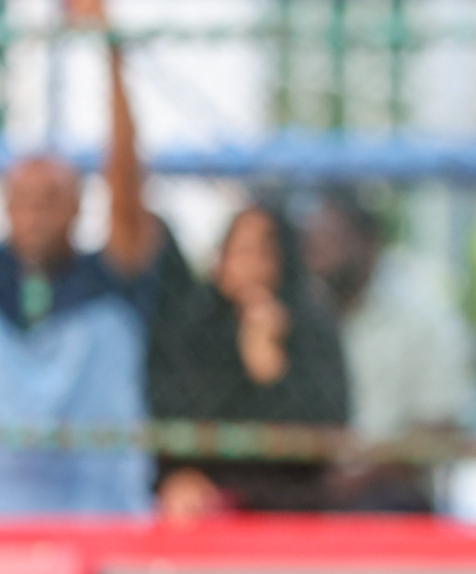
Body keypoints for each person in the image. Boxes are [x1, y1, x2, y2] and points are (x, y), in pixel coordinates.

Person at [0, 34, 167, 514]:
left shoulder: (110, 277)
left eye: (50, 200)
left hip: (99, 515)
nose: (36, 215)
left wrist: (111, 52)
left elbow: (128, 182)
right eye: (24, 202)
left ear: (77, 207)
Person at [150, 201, 349, 516]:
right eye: (240, 252)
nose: (251, 267)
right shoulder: (191, 329)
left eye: (265, 253)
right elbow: (171, 416)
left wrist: (269, 366)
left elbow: (326, 427)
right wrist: (177, 476)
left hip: (291, 503)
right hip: (203, 499)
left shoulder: (312, 328)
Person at [302, 188, 475, 511]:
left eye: (330, 240)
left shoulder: (423, 313)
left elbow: (441, 423)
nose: (317, 253)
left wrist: (364, 475)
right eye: (312, 242)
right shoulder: (297, 311)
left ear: (368, 241)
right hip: (302, 486)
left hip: (388, 493)